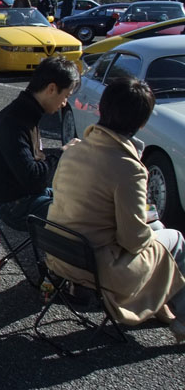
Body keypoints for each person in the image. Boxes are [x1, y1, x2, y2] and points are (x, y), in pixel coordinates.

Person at [46, 78, 185, 342]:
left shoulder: (75, 149)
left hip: (60, 253)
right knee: (175, 238)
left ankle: (167, 304)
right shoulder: (127, 167)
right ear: (141, 123)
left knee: (157, 229)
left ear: (102, 108)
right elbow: (133, 239)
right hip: (97, 268)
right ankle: (181, 318)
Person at [0, 55, 80, 230]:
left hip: (26, 196)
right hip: (14, 205)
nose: (64, 103)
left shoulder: (26, 113)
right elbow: (32, 178)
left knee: (85, 203)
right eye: (65, 96)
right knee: (85, 218)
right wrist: (63, 154)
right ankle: (55, 258)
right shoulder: (14, 121)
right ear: (51, 89)